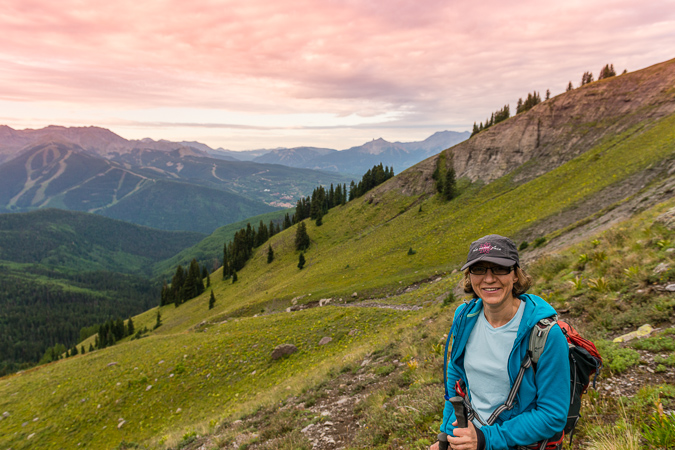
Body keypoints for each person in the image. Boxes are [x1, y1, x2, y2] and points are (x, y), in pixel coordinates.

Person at [431, 234, 570, 450]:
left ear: (515, 275)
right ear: (470, 277)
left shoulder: (545, 335)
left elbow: (552, 415)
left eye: (499, 268)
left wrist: (486, 438)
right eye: (479, 269)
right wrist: (448, 437)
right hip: (471, 440)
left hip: (514, 443)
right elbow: (456, 379)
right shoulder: (464, 318)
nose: (488, 278)